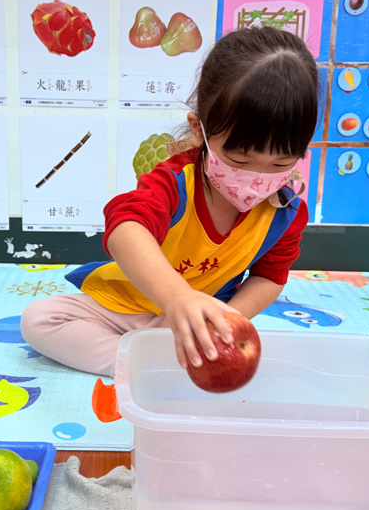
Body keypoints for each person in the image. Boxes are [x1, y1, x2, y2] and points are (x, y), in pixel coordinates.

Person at [21, 24, 320, 379]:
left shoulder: (285, 212)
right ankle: (142, 362)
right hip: (125, 306)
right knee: (41, 320)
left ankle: (149, 357)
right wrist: (177, 298)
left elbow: (270, 277)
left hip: (196, 322)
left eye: (281, 163)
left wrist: (229, 320)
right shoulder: (176, 182)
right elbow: (125, 227)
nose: (257, 177)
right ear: (198, 130)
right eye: (239, 159)